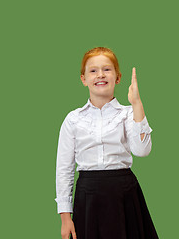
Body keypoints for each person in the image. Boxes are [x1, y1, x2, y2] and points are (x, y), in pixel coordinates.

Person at [55, 47, 159, 239]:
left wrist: (137, 103)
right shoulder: (73, 119)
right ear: (83, 79)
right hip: (88, 197)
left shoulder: (128, 113)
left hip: (124, 195)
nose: (100, 75)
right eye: (93, 70)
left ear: (118, 78)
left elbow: (142, 150)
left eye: (107, 69)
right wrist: (65, 217)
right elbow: (64, 169)